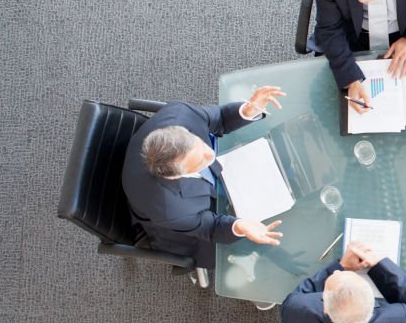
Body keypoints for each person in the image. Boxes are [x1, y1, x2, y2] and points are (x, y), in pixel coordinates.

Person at [121, 87, 287, 271]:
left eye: (200, 145)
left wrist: (249, 110)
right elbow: (212, 228)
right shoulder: (172, 209)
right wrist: (240, 226)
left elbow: (220, 117)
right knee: (253, 245)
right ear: (176, 175)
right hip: (180, 225)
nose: (210, 155)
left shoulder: (180, 113)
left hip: (195, 189)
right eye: (200, 161)